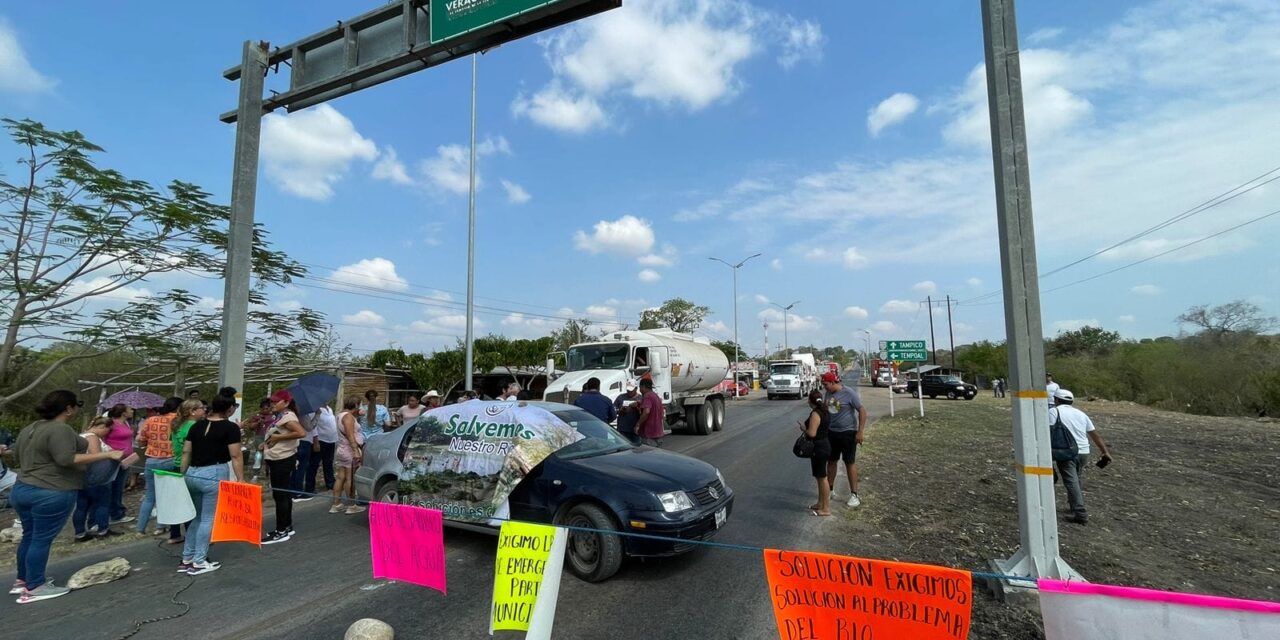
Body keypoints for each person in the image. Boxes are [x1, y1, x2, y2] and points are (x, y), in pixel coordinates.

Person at [10, 390, 122, 603]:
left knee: (30, 536)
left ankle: (23, 580)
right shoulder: (60, 429)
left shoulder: (30, 428)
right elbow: (66, 459)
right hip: (50, 491)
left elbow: (18, 455)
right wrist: (107, 454)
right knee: (41, 539)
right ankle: (35, 587)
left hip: (22, 489)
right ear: (68, 408)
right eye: (76, 405)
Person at [178, 388, 244, 575]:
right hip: (214, 473)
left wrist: (181, 474)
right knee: (208, 518)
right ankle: (199, 560)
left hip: (192, 473)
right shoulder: (230, 428)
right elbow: (236, 455)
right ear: (230, 408)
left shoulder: (196, 426)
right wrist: (240, 479)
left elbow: (186, 452)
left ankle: (187, 558)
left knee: (196, 518)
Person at [1049, 389, 1113, 525]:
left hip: (1067, 452)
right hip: (1084, 452)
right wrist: (1104, 451)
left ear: (1056, 400)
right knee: (1076, 479)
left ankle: (1079, 512)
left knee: (1071, 481)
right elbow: (1094, 434)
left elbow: (1047, 431)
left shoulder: (1054, 412)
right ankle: (1074, 506)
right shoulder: (1081, 414)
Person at [134, 397, 185, 543]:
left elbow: (141, 440)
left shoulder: (151, 420)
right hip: (171, 460)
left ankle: (140, 529)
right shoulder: (178, 421)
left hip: (151, 460)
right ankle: (161, 525)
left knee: (150, 496)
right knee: (168, 496)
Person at [261, 390, 306, 544]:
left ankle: (281, 530)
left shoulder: (288, 417)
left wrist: (278, 437)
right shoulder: (280, 416)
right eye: (272, 402)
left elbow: (301, 433)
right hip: (278, 458)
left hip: (283, 459)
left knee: (280, 495)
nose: (272, 404)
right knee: (284, 494)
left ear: (286, 403)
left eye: (276, 402)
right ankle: (286, 526)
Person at [822, 371, 868, 508]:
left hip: (848, 433)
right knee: (831, 462)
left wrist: (860, 432)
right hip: (832, 433)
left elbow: (862, 410)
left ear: (833, 382)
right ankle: (829, 490)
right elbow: (826, 411)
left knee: (849, 463)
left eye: (825, 385)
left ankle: (854, 495)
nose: (824, 387)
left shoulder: (849, 393)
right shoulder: (828, 394)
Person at [72, 418, 118, 541]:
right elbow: (96, 455)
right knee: (102, 503)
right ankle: (102, 529)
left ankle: (80, 532)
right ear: (102, 427)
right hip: (96, 475)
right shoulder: (92, 437)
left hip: (81, 475)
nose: (107, 434)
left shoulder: (80, 435)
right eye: (108, 430)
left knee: (82, 505)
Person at [331, 398, 366, 515]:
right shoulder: (348, 417)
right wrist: (355, 450)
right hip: (349, 450)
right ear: (355, 405)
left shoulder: (340, 415)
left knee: (341, 477)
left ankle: (336, 504)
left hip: (342, 449)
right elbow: (350, 435)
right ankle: (351, 505)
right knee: (350, 478)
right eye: (359, 405)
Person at [801, 390, 833, 516]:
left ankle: (825, 508)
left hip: (819, 447)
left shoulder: (816, 414)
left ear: (810, 401)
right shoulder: (825, 411)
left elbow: (812, 433)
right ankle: (820, 503)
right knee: (819, 477)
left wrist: (804, 429)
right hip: (824, 445)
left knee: (822, 478)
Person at [103, 404, 135, 525]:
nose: (132, 411)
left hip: (127, 458)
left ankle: (117, 511)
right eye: (130, 409)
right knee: (112, 486)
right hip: (114, 459)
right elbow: (103, 438)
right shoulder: (111, 424)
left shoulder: (126, 423)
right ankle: (112, 513)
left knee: (119, 486)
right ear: (123, 413)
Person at [304, 405, 339, 493]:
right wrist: (316, 441)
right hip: (320, 440)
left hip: (331, 440)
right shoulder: (315, 409)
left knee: (328, 463)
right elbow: (313, 426)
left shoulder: (329, 409)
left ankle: (330, 484)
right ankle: (309, 487)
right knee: (314, 464)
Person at [635, 378, 666, 447]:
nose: (639, 390)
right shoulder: (655, 396)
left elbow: (646, 411)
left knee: (648, 455)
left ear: (643, 386)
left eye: (640, 387)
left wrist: (638, 424)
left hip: (649, 434)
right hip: (658, 432)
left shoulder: (647, 396)